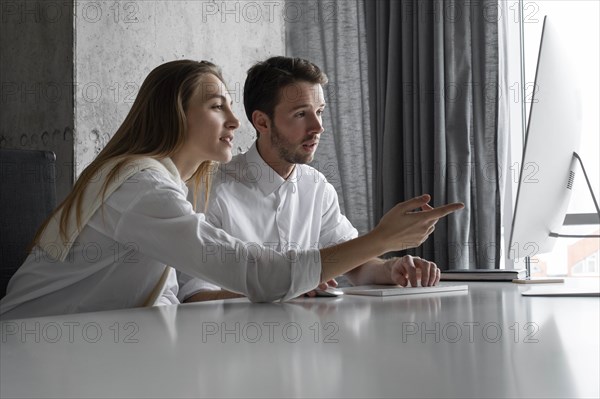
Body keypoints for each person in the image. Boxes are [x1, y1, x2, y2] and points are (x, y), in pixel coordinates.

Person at [0, 59, 462, 320]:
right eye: (217, 106)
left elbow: (158, 296)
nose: (235, 121)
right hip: (31, 348)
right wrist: (382, 237)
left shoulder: (168, 183)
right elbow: (254, 276)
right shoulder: (139, 186)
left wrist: (385, 260)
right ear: (176, 115)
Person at [178, 56, 458, 303]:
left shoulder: (317, 186)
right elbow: (194, 295)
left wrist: (391, 268)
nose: (318, 127)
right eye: (301, 114)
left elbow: (353, 264)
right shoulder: (210, 189)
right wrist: (284, 286)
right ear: (262, 122)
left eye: (319, 111)